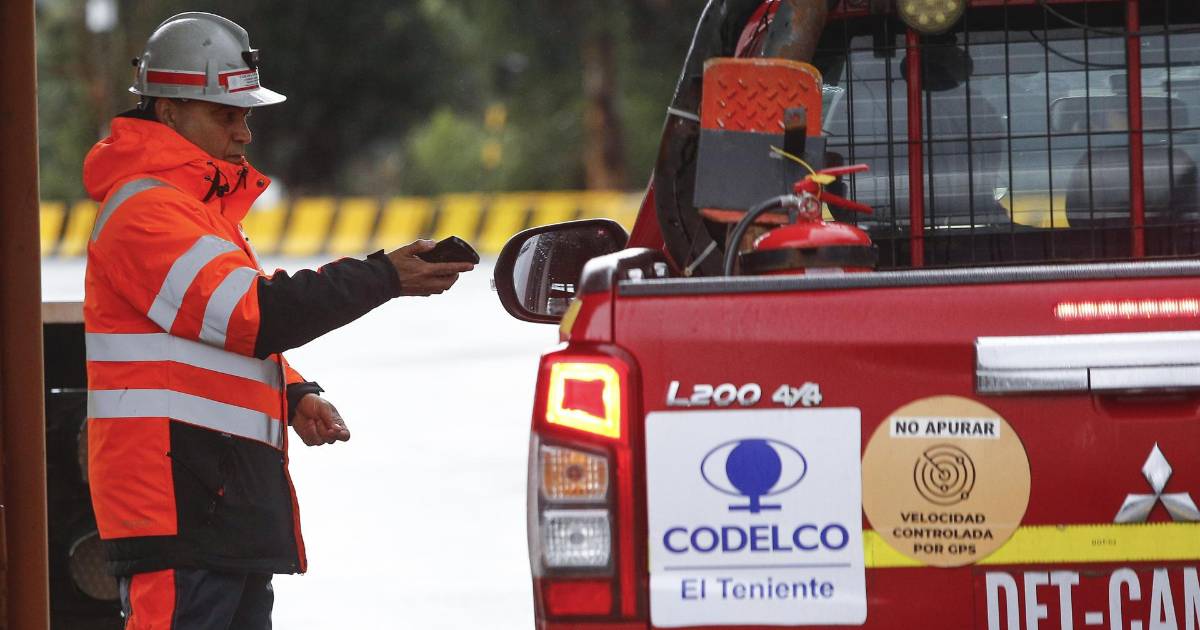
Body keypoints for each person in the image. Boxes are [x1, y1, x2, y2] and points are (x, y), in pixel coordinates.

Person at [81, 12, 474, 629]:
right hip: (177, 505)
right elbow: (253, 314)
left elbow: (215, 331)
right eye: (225, 115)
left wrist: (290, 393)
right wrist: (383, 276)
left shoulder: (194, 211)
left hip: (212, 502)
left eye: (245, 115)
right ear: (169, 112)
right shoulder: (146, 212)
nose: (244, 133)